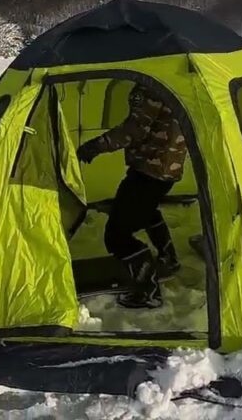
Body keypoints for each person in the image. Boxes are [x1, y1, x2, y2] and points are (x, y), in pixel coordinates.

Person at [76, 84, 186, 309]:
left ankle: (148, 292)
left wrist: (96, 146)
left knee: (117, 235)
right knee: (147, 210)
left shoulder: (148, 89)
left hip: (150, 169)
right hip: (168, 168)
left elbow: (134, 130)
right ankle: (169, 259)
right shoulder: (166, 80)